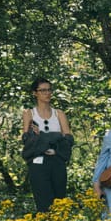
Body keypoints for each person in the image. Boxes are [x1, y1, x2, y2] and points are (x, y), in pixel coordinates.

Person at [21, 78, 74, 212]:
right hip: (37, 164)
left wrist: (42, 137)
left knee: (60, 201)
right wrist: (56, 137)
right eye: (43, 90)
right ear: (35, 93)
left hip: (57, 161)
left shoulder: (59, 114)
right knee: (44, 203)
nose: (47, 93)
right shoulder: (29, 114)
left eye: (49, 89)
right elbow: (28, 141)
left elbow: (68, 140)